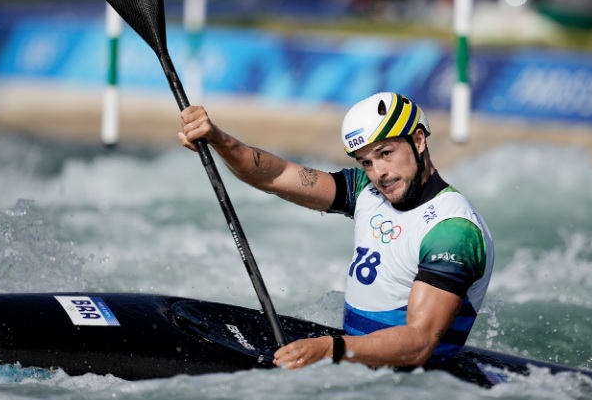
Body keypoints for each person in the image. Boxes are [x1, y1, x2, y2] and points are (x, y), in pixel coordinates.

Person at [178, 92, 494, 370]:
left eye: (386, 153)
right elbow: (275, 175)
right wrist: (219, 139)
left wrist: (330, 348)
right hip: (356, 363)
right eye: (366, 162)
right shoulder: (365, 191)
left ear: (419, 140)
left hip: (411, 390)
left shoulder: (452, 230)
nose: (379, 173)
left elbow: (419, 342)